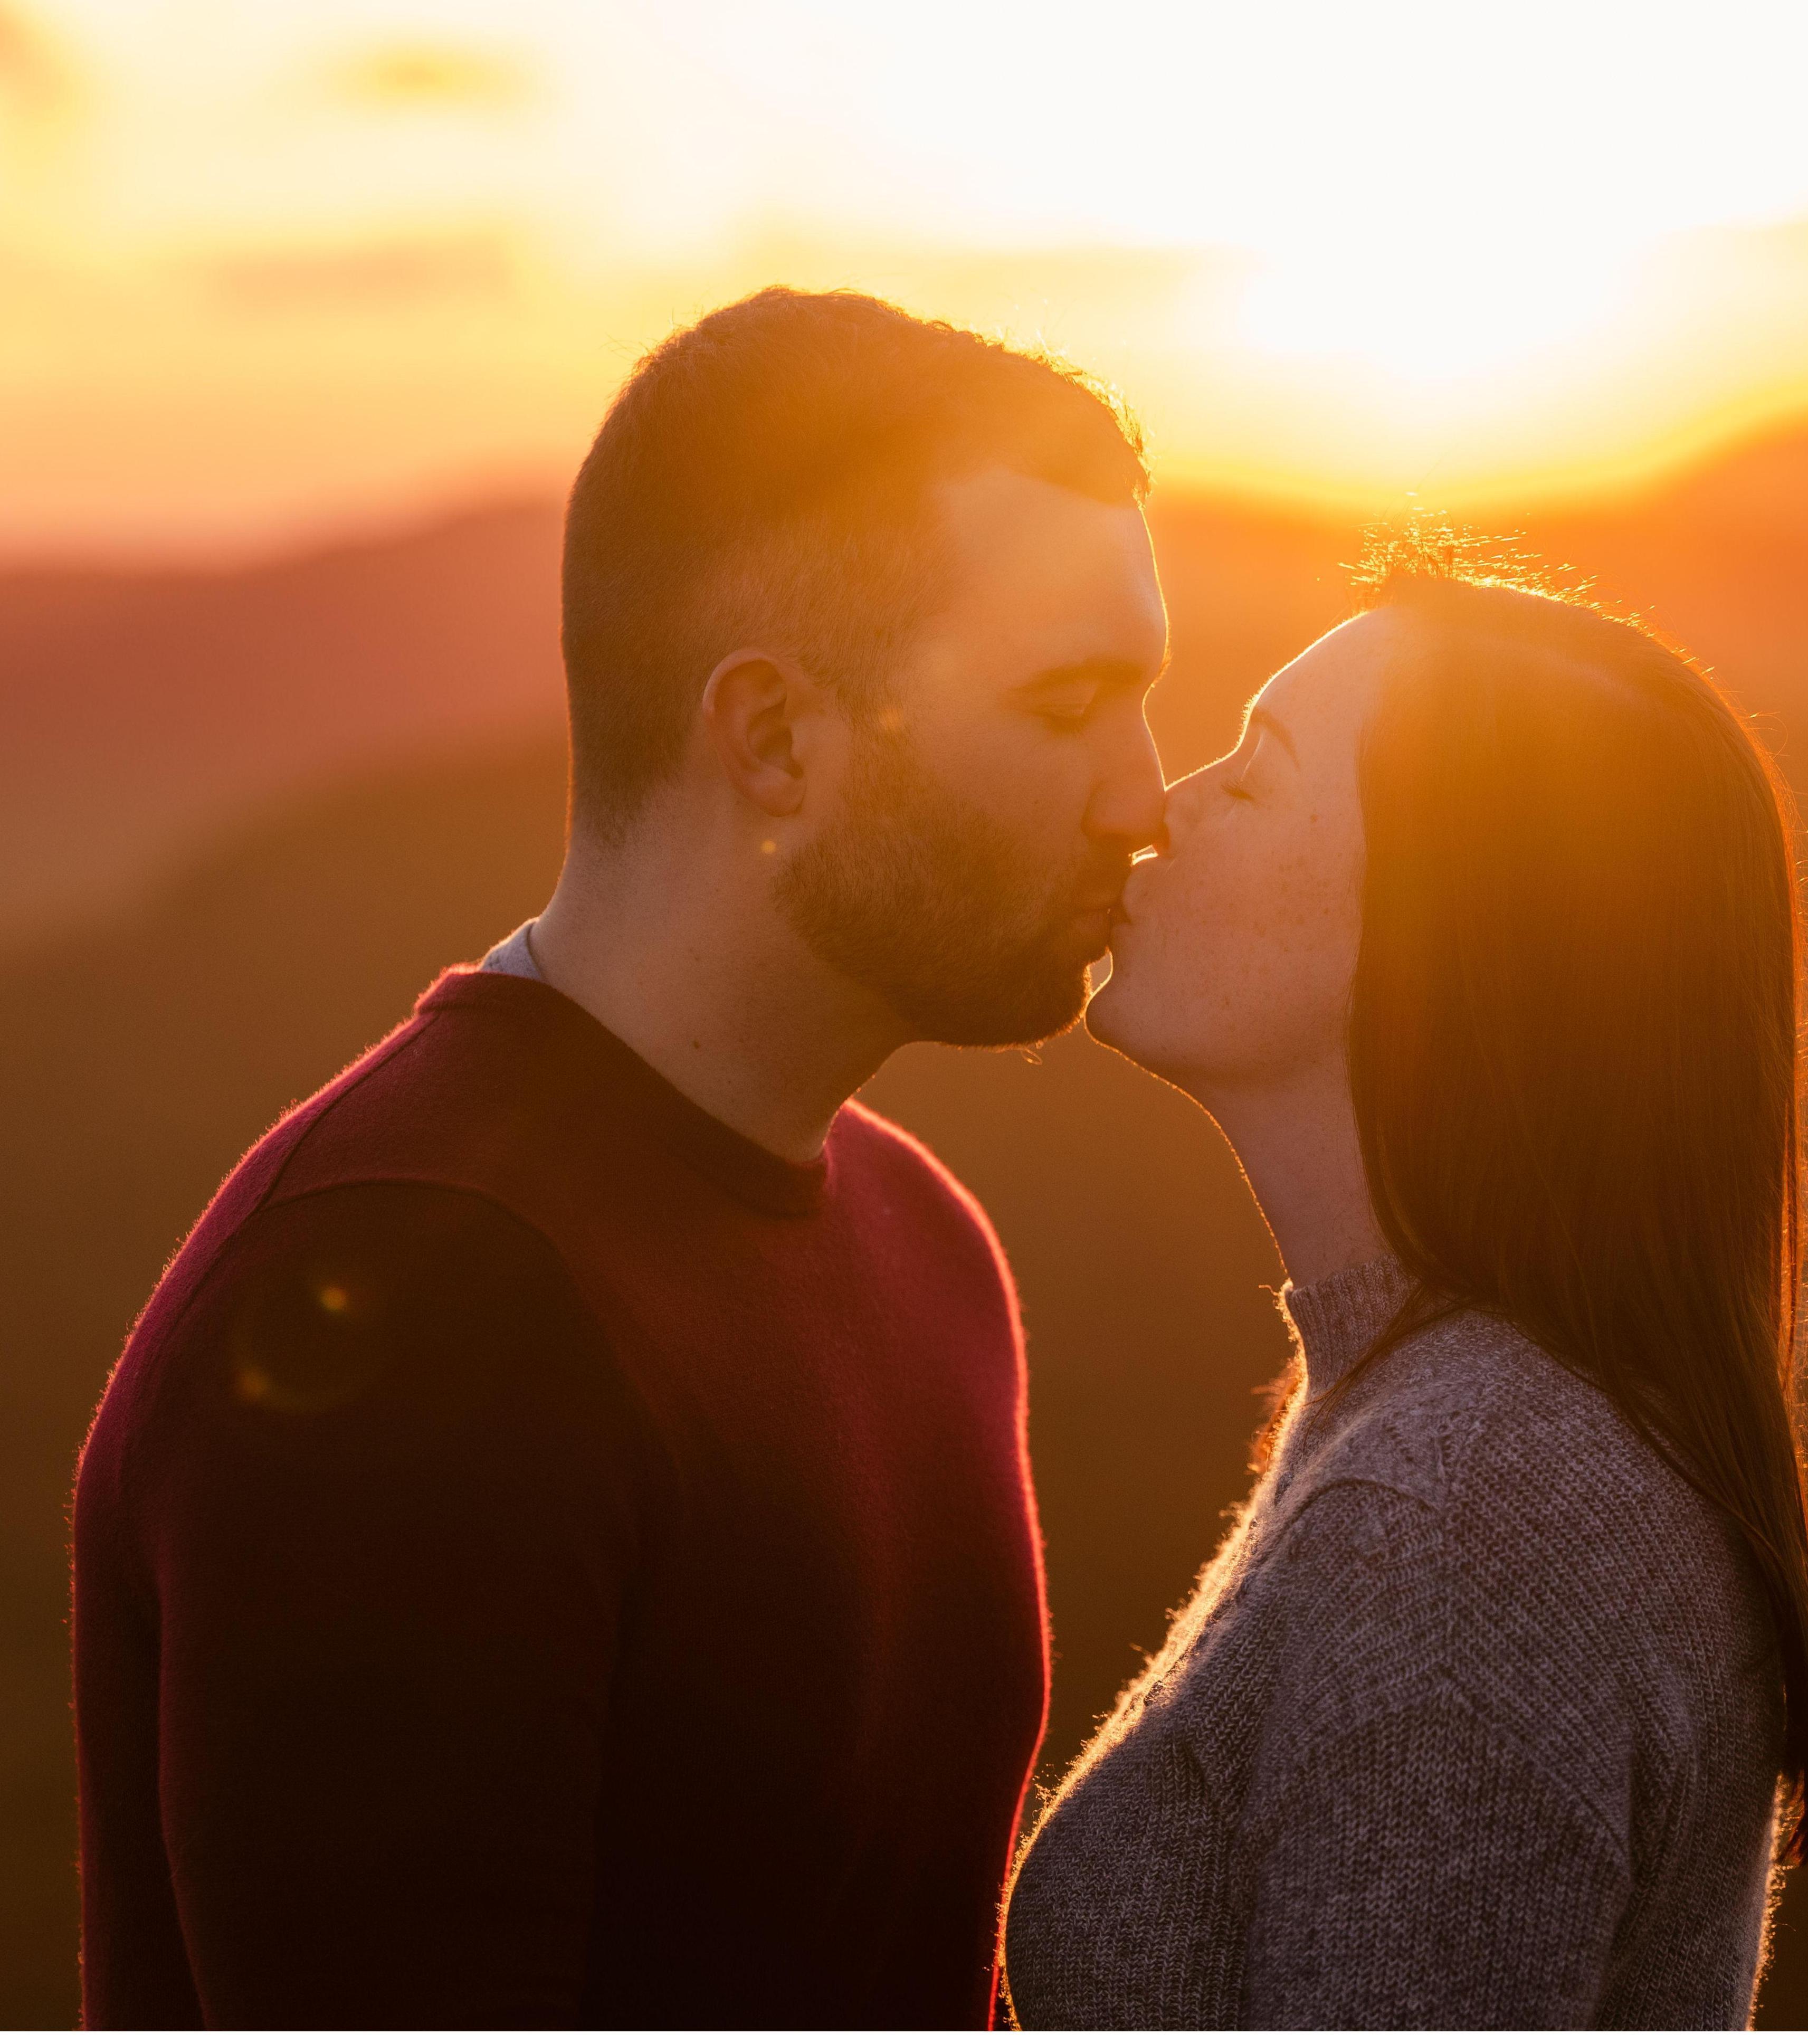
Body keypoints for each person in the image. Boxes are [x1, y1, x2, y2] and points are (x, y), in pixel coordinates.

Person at [71, 288, 1169, 2028]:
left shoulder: (925, 1241)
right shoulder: (425, 1311)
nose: (1144, 796)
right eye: (1065, 704)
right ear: (780, 739)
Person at [1003, 565, 1808, 2028]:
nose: (1157, 808)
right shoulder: (1426, 1409)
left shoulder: (1464, 1512)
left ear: (1442, 928)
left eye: (1252, 778)